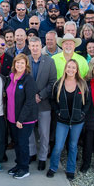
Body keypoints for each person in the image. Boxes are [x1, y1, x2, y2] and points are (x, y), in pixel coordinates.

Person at [48, 59, 88, 180]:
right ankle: (53, 167)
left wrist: (82, 114)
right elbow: (53, 100)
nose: (71, 70)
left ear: (77, 70)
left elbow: (88, 103)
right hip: (62, 121)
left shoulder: (82, 84)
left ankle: (70, 169)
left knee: (73, 146)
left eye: (73, 68)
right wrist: (58, 111)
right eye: (69, 67)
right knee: (58, 146)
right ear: (65, 68)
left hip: (77, 121)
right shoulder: (58, 84)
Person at [5, 52, 39, 180]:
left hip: (24, 119)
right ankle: (18, 165)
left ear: (26, 65)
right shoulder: (11, 76)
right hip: (11, 117)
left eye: (22, 63)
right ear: (14, 64)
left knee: (23, 143)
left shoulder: (28, 79)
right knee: (17, 143)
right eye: (17, 62)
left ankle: (24, 168)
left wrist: (21, 119)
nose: (19, 65)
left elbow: (30, 101)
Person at [26, 36, 57, 172]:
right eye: (32, 46)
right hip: (28, 103)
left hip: (44, 103)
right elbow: (20, 79)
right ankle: (32, 153)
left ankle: (43, 158)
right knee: (29, 131)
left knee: (44, 133)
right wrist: (31, 96)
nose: (34, 48)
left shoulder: (49, 62)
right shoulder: (25, 60)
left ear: (41, 46)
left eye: (37, 46)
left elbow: (53, 83)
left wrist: (41, 95)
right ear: (29, 47)